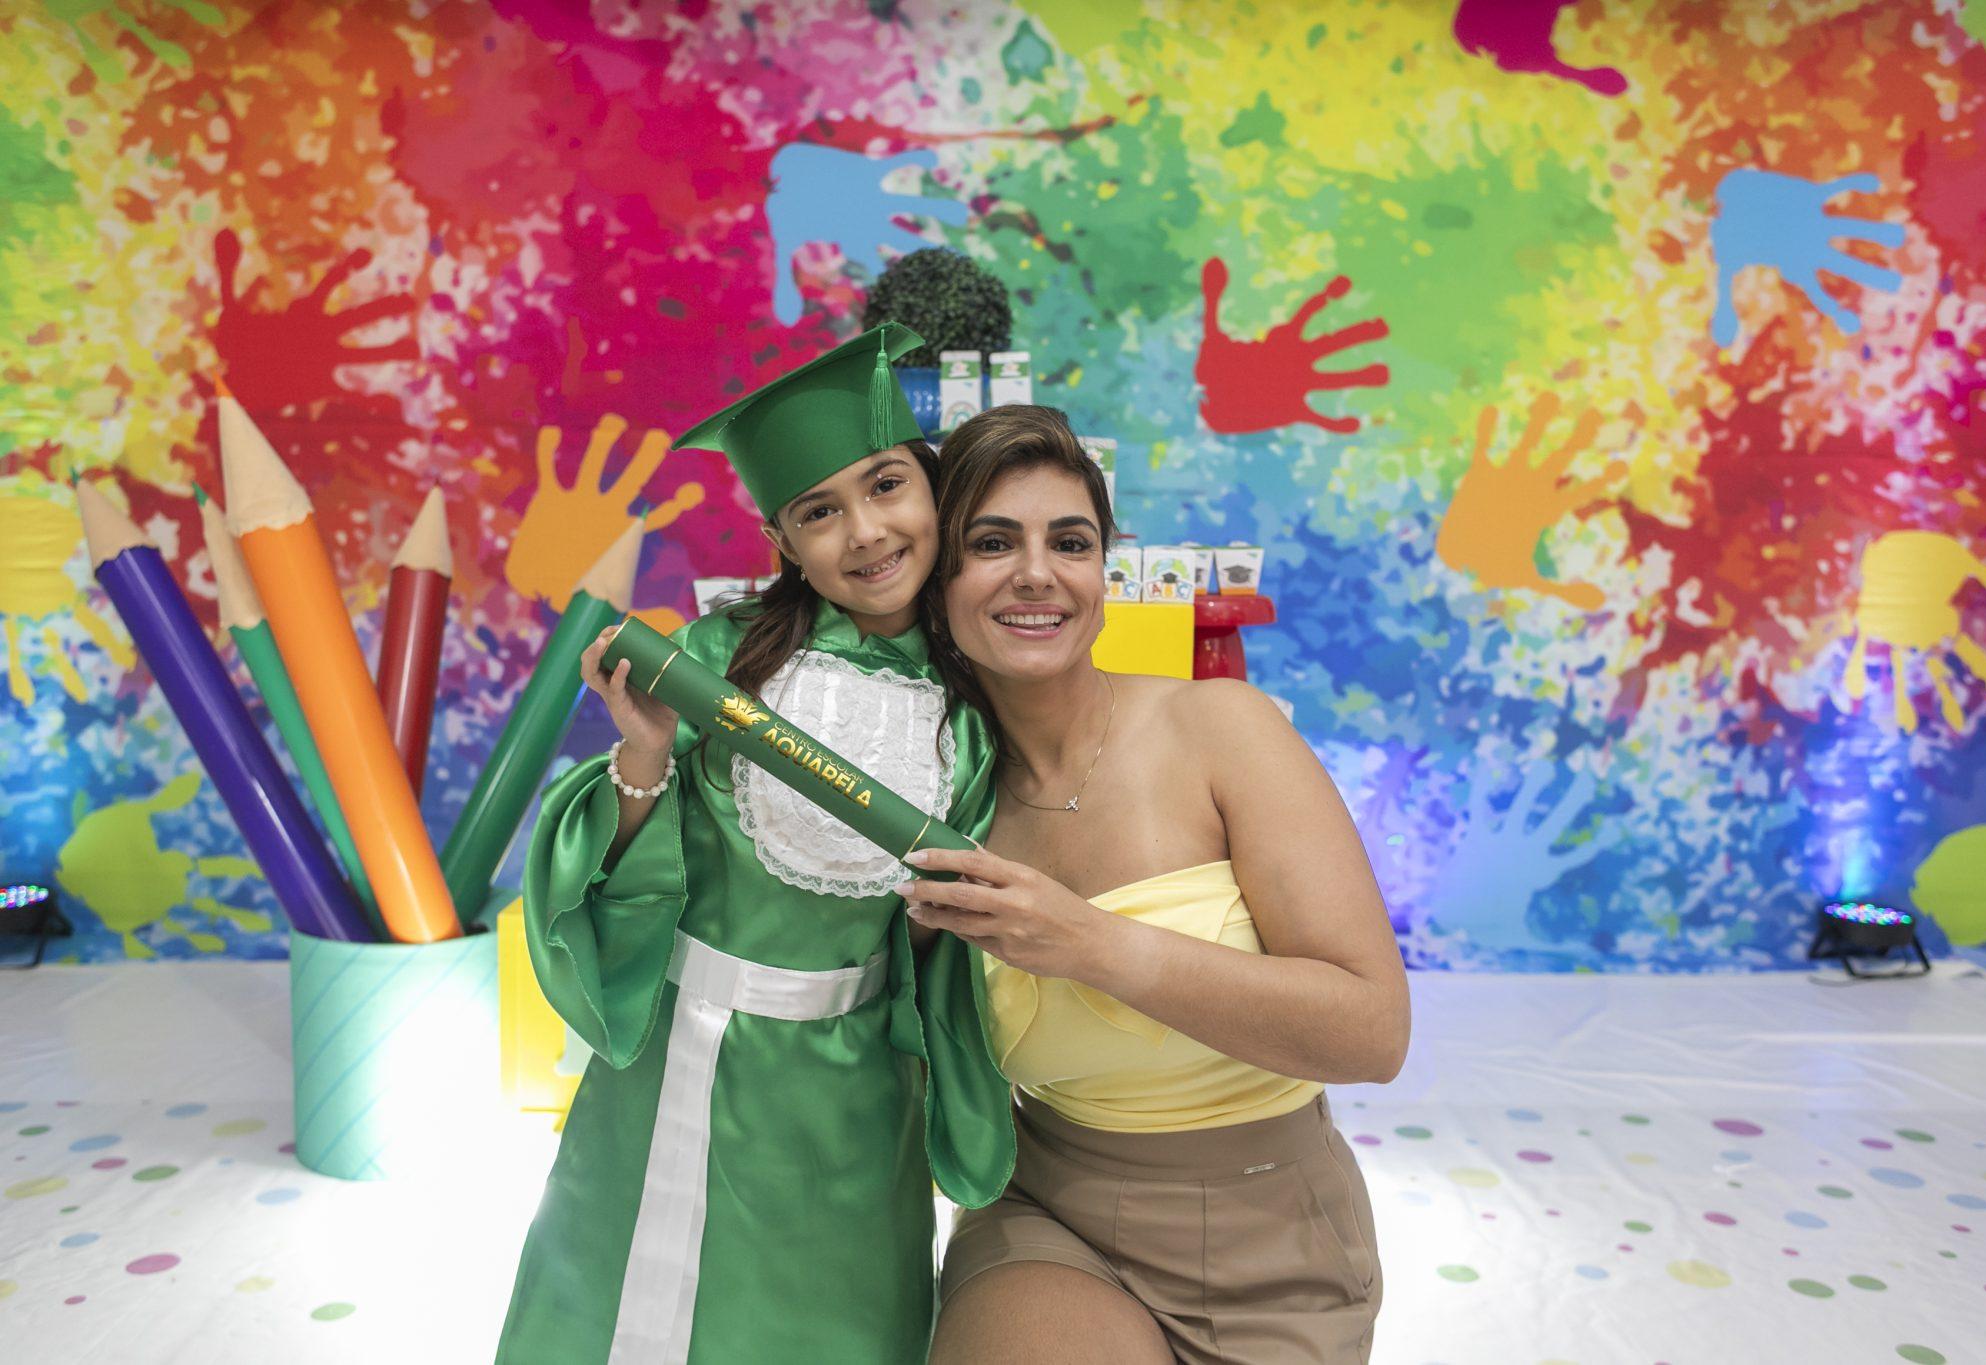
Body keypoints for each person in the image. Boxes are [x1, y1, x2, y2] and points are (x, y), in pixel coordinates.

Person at [497, 325, 1013, 1365]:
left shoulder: (974, 709)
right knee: (622, 1298)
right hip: (678, 1062)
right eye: (820, 512)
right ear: (782, 538)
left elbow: (933, 949)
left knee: (829, 1322)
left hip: (852, 1092)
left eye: (886, 486)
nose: (865, 533)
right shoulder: (719, 658)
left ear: (933, 486)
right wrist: (644, 751)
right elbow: (620, 877)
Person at [903, 405, 1410, 1364]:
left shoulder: (1222, 728)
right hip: (1049, 1216)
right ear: (938, 583)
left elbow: (1374, 1033)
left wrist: (1095, 945)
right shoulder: (942, 797)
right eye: (992, 542)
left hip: (1278, 1234)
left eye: (1071, 542)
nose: (1037, 573)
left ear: (1104, 572)